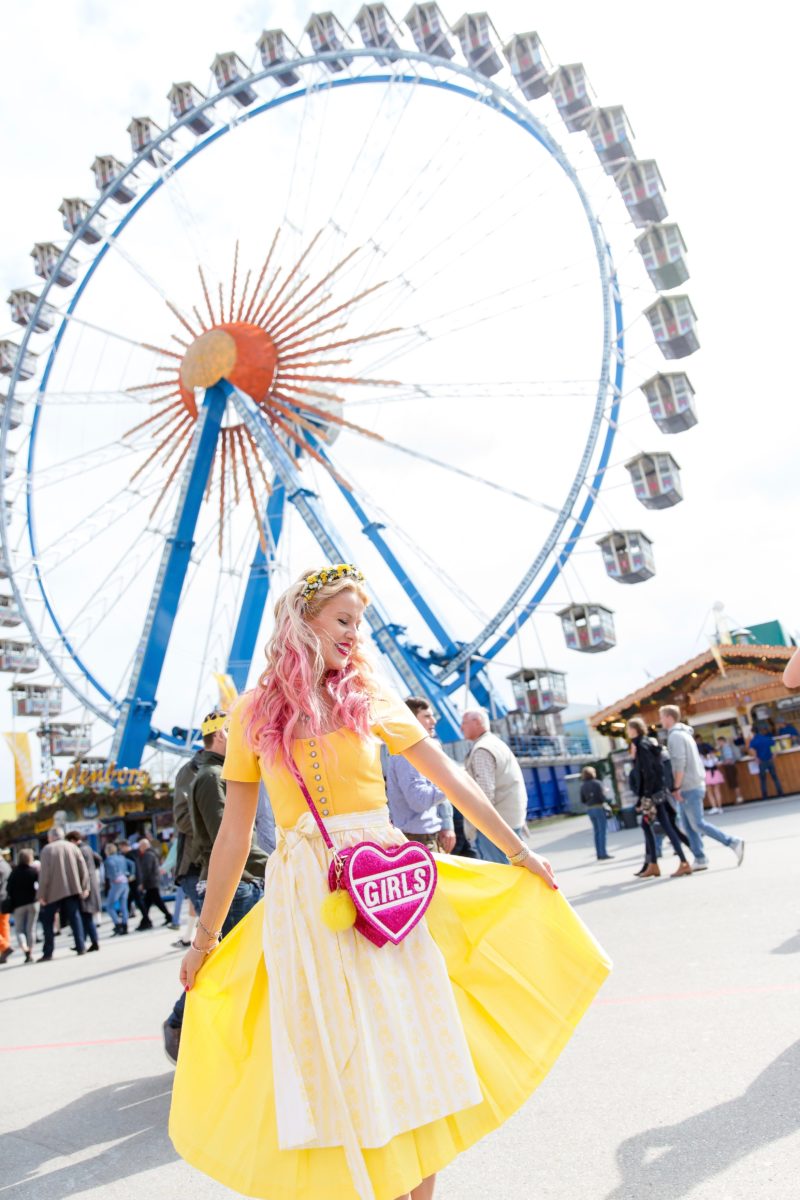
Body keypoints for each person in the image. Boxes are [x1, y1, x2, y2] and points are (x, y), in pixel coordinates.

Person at [169, 564, 610, 1200]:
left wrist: (518, 854)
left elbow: (453, 778)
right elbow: (234, 839)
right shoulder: (251, 715)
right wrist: (203, 939)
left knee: (414, 1038)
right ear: (303, 620)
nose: (354, 635)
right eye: (343, 621)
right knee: (339, 1052)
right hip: (304, 893)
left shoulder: (370, 693)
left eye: (360, 623)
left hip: (385, 879)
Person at [162, 710, 269, 1064]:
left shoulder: (221, 773)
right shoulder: (207, 776)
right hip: (227, 877)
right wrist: (271, 865)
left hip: (239, 874)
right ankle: (184, 1025)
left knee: (235, 961)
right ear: (221, 736)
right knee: (228, 963)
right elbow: (227, 836)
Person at [659, 706, 745, 870]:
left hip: (688, 785)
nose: (660, 721)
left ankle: (732, 842)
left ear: (669, 717)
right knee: (687, 825)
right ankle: (700, 858)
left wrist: (676, 787)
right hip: (694, 783)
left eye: (662, 717)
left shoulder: (675, 736)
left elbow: (679, 763)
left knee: (697, 824)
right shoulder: (685, 733)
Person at [386, 696, 456, 853]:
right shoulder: (407, 754)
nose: (434, 721)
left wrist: (447, 825)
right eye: (427, 716)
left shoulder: (424, 749)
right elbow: (419, 801)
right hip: (417, 841)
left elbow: (438, 786)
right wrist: (453, 785)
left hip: (428, 837)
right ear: (412, 720)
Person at [461, 708, 528, 863]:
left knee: (502, 875)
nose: (460, 728)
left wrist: (474, 828)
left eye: (464, 723)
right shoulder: (497, 744)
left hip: (493, 829)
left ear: (477, 722)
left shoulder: (482, 750)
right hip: (510, 820)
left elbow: (484, 795)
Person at [627, 718, 691, 879]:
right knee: (659, 826)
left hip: (652, 794)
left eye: (629, 728)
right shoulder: (647, 743)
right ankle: (655, 864)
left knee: (660, 827)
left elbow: (647, 772)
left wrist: (645, 796)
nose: (627, 731)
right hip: (657, 792)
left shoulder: (641, 746)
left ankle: (677, 862)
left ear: (635, 729)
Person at [38, 826, 90, 960]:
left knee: (48, 922)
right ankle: (81, 946)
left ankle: (48, 952)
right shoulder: (72, 847)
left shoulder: (47, 850)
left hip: (52, 893)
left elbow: (44, 875)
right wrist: (85, 887)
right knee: (75, 917)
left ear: (50, 837)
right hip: (72, 889)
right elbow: (83, 868)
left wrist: (41, 894)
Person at [66, 831, 103, 951]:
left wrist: (83, 886)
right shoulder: (88, 848)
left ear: (72, 840)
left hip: (85, 886)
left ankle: (91, 942)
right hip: (91, 883)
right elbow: (98, 859)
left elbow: (80, 870)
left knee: (86, 916)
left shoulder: (78, 850)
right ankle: (85, 941)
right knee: (87, 915)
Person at [6, 848, 40, 963]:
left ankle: (25, 949)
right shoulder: (33, 871)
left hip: (18, 905)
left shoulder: (14, 873)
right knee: (31, 928)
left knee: (19, 929)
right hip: (33, 902)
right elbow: (39, 885)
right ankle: (30, 950)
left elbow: (8, 889)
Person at [135, 838, 172, 930]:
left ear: (144, 846)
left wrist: (142, 883)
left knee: (155, 901)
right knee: (149, 902)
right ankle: (146, 921)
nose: (139, 848)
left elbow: (146, 870)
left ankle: (147, 921)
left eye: (140, 846)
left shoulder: (147, 855)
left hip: (151, 882)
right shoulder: (152, 853)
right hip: (153, 881)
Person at [579, 766, 613, 861]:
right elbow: (602, 797)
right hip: (598, 807)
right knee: (602, 831)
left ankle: (599, 853)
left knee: (596, 831)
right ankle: (603, 853)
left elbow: (582, 800)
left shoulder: (583, 785)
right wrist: (605, 793)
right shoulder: (597, 783)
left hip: (590, 809)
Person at [104, 843, 134, 933]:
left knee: (109, 906)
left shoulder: (108, 860)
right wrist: (131, 874)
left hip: (117, 883)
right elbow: (132, 864)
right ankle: (125, 925)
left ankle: (117, 924)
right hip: (125, 881)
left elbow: (111, 871)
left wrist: (114, 877)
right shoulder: (121, 857)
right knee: (124, 906)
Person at [749, 726, 784, 800]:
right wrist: (774, 755)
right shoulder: (767, 738)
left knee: (762, 780)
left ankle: (765, 796)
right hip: (770, 760)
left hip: (761, 761)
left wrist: (756, 758)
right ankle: (780, 793)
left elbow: (752, 750)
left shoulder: (754, 741)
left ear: (753, 732)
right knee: (775, 778)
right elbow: (775, 746)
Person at [717, 736, 743, 804]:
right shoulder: (725, 747)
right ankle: (738, 798)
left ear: (722, 741)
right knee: (733, 783)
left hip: (730, 766)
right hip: (731, 766)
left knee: (734, 783)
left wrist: (722, 763)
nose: (718, 744)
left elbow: (729, 759)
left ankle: (739, 798)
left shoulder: (726, 747)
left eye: (719, 742)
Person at [701, 748, 725, 813]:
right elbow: (719, 764)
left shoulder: (701, 758)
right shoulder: (714, 757)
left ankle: (714, 807)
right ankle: (720, 807)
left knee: (709, 792)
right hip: (715, 773)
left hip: (707, 774)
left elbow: (701, 766)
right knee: (717, 791)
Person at [0, 849, 13, 964]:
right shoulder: (6, 866)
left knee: (3, 926)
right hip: (5, 900)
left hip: (1, 898)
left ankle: (4, 947)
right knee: (4, 927)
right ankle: (5, 951)